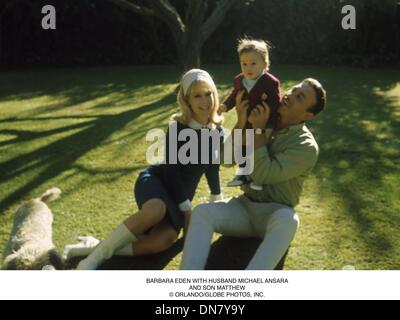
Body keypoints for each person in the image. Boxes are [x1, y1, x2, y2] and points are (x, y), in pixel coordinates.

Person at [65, 69, 224, 270]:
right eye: (197, 96)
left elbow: (212, 166)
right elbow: (171, 171)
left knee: (163, 241)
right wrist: (186, 207)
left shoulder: (217, 131)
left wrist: (216, 196)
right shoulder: (178, 127)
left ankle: (89, 248)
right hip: (158, 182)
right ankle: (94, 259)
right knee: (156, 210)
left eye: (208, 93)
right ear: (187, 100)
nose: (205, 101)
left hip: (180, 198)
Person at [180, 78, 326, 270]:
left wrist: (257, 130)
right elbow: (226, 160)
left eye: (299, 97)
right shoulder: (261, 115)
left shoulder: (305, 146)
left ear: (307, 115)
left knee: (289, 220)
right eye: (293, 90)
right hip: (244, 207)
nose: (289, 95)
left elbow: (263, 174)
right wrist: (241, 122)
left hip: (275, 213)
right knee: (202, 212)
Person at [219, 38, 281, 191]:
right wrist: (225, 106)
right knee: (242, 146)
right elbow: (234, 95)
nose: (248, 68)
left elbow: (275, 103)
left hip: (265, 121)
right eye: (244, 64)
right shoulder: (240, 80)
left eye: (253, 63)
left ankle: (258, 178)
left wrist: (271, 125)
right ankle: (242, 174)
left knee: (260, 148)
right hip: (246, 120)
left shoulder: (270, 82)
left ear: (265, 64)